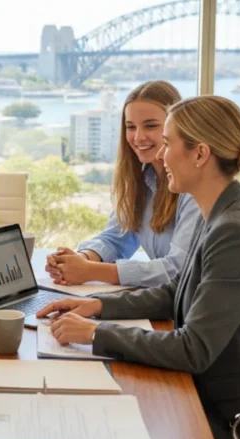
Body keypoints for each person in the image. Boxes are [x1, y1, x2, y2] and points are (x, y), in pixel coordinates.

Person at [36, 95, 240, 439]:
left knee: (102, 435)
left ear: (199, 154)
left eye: (168, 142)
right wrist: (97, 307)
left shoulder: (234, 232)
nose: (161, 155)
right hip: (221, 404)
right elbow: (176, 291)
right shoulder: (221, 213)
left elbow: (192, 349)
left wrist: (96, 334)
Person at [46, 81, 200, 287]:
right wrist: (80, 259)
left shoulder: (195, 187)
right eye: (130, 127)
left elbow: (178, 270)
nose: (138, 137)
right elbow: (117, 237)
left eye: (151, 125)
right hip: (164, 302)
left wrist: (91, 271)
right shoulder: (141, 180)